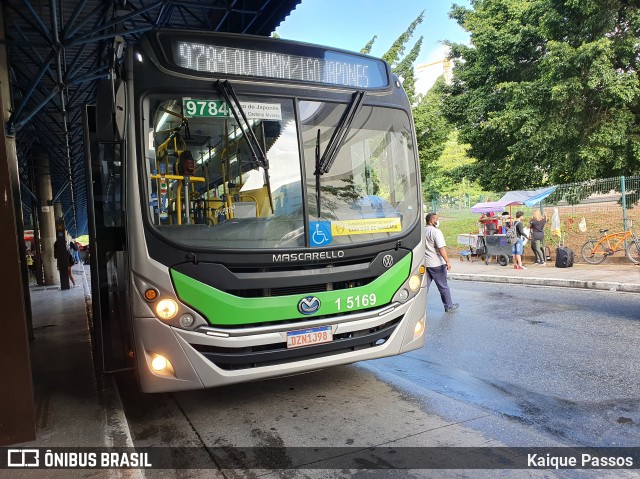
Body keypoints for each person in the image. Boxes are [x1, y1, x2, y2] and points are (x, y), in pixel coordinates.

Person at [424, 213, 459, 312]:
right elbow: (441, 248)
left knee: (424, 288)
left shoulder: (422, 231)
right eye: (437, 219)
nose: (438, 221)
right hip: (437, 264)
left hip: (425, 264)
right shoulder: (435, 232)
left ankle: (418, 307)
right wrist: (447, 261)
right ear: (432, 220)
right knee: (443, 286)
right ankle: (449, 306)